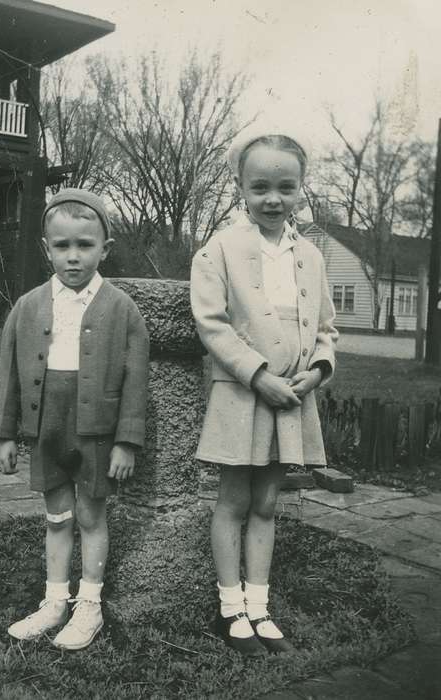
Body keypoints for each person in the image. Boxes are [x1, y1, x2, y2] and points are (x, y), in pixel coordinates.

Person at [190, 126, 337, 656]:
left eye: (285, 187)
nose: (273, 198)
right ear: (240, 187)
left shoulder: (313, 256)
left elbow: (325, 329)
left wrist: (317, 371)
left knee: (268, 503)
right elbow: (213, 325)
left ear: (301, 188)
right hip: (243, 395)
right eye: (259, 187)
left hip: (294, 400)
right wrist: (259, 376)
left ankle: (260, 606)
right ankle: (230, 610)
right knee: (234, 500)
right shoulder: (220, 249)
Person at [0, 188, 149, 650]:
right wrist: (5, 434)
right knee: (57, 517)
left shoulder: (122, 309)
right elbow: (9, 374)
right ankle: (55, 601)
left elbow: (136, 381)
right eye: (62, 246)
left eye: (85, 245)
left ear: (106, 248)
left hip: (96, 434)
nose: (74, 257)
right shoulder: (28, 306)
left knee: (90, 515)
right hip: (48, 430)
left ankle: (90, 605)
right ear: (46, 248)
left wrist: (127, 442)